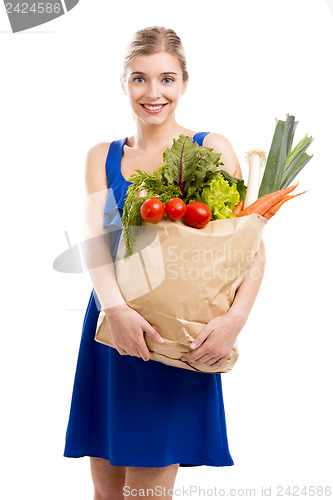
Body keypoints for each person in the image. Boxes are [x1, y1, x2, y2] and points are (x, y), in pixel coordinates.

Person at [63, 26, 266, 499]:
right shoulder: (102, 156)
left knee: (147, 496)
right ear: (123, 83)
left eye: (166, 79)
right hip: (113, 330)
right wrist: (115, 310)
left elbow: (248, 246)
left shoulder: (211, 148)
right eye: (140, 79)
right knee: (108, 494)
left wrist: (236, 319)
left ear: (185, 83)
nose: (153, 93)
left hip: (175, 335)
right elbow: (95, 242)